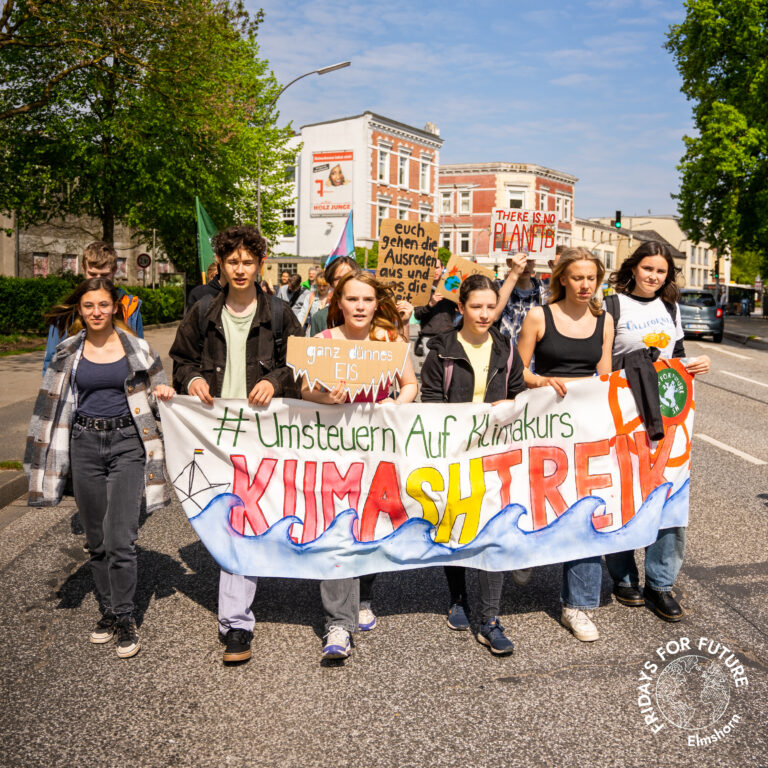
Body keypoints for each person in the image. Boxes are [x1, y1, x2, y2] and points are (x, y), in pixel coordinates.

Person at [169, 224, 303, 665]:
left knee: (251, 518)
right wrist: (191, 379)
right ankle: (237, 622)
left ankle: (237, 618)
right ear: (221, 267)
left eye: (248, 261)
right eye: (232, 262)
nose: (240, 269)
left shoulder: (281, 313)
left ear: (259, 265)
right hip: (216, 436)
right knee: (233, 519)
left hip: (264, 436)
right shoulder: (203, 312)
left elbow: (300, 367)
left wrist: (274, 379)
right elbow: (181, 362)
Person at [25, 277, 173, 658]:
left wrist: (164, 393)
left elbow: (159, 393)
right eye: (89, 306)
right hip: (84, 445)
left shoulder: (138, 350)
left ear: (115, 308)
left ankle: (124, 617)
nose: (96, 312)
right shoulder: (68, 352)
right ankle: (106, 611)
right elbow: (52, 404)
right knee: (96, 541)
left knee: (121, 538)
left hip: (127, 444)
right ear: (81, 309)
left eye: (103, 305)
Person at [301, 271, 418, 660]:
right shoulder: (322, 342)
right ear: (340, 303)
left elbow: (410, 385)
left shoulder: (390, 341)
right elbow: (304, 390)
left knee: (371, 525)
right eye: (352, 300)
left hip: (377, 451)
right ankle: (337, 624)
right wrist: (324, 397)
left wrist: (397, 404)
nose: (361, 307)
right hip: (333, 453)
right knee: (337, 530)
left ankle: (364, 595)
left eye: (367, 300)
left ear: (375, 304)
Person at [604, 240, 710, 622]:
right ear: (633, 268)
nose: (653, 276)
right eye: (648, 268)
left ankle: (661, 583)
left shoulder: (670, 307)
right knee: (626, 494)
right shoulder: (612, 305)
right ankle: (622, 576)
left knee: (670, 494)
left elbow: (677, 359)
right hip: (625, 415)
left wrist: (696, 365)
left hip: (667, 416)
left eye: (661, 271)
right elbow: (603, 365)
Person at [420, 274, 526, 656]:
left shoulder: (506, 346)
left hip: (495, 453)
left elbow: (518, 394)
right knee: (459, 527)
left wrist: (509, 406)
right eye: (476, 306)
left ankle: (491, 619)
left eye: (490, 306)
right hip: (454, 452)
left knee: (493, 532)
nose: (484, 314)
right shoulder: (441, 349)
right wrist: (468, 418)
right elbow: (431, 402)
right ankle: (459, 597)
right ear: (461, 307)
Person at [516, 248, 614, 642]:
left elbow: (605, 377)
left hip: (586, 426)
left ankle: (579, 605)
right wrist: (540, 381)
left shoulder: (604, 321)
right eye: (577, 277)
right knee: (538, 503)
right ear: (562, 279)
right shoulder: (539, 315)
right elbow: (517, 371)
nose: (585, 285)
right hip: (544, 422)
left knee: (585, 511)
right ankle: (525, 552)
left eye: (591, 278)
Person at [43, 241, 144, 374]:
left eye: (104, 275)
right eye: (92, 274)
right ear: (83, 269)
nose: (98, 281)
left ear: (114, 271)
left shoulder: (129, 307)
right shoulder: (67, 311)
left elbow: (140, 356)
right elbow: (51, 361)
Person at [491, 250, 539, 344]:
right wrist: (514, 274)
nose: (524, 265)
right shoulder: (497, 287)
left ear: (534, 262)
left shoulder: (543, 291)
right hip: (504, 354)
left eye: (529, 260)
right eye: (519, 260)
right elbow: (493, 315)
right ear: (509, 262)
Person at [413, 261, 457, 357]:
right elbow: (417, 315)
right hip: (429, 336)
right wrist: (430, 305)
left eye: (436, 267)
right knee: (430, 369)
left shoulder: (451, 286)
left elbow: (461, 308)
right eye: (430, 268)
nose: (434, 271)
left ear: (442, 268)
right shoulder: (421, 289)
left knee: (448, 369)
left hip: (448, 335)